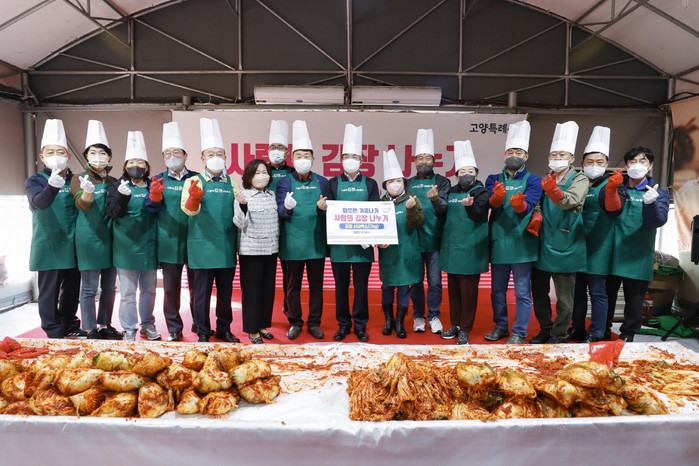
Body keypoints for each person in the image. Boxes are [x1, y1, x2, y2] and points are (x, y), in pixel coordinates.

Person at [601, 147, 669, 341]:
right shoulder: (618, 188)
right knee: (607, 295)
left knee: (634, 299)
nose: (637, 165)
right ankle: (603, 330)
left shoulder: (659, 193)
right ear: (626, 165)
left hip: (639, 253)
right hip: (613, 250)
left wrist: (651, 204)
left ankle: (628, 333)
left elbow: (657, 221)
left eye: (642, 161)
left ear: (650, 165)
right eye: (632, 161)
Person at [181, 118, 240, 343]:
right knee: (202, 294)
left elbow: (239, 211)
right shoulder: (193, 181)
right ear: (202, 158)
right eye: (211, 154)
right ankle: (203, 331)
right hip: (201, 245)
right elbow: (187, 211)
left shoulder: (232, 182)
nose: (216, 158)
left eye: (220, 154)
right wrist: (194, 199)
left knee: (226, 293)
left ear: (226, 158)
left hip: (225, 245)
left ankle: (224, 329)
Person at [530, 121, 589, 344]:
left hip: (567, 240)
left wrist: (553, 190)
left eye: (561, 154)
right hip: (544, 241)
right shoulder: (546, 177)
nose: (556, 158)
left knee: (565, 297)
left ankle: (559, 333)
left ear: (571, 158)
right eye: (553, 155)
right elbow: (538, 203)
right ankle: (545, 328)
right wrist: (536, 216)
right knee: (539, 292)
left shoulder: (579, 179)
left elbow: (570, 201)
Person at [484, 120, 542, 344]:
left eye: (518, 152)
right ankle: (500, 326)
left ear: (526, 156)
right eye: (510, 152)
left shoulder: (534, 180)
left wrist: (520, 206)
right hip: (499, 241)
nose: (514, 156)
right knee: (497, 291)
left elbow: (531, 204)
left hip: (522, 243)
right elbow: (489, 204)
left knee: (522, 292)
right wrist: (496, 199)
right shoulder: (493, 179)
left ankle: (519, 332)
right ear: (504, 155)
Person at [25, 119, 81, 338]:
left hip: (73, 242)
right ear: (42, 157)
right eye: (51, 152)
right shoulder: (35, 181)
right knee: (50, 290)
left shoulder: (76, 180)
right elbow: (40, 203)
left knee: (72, 288)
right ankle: (52, 328)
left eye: (60, 152)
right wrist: (51, 187)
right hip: (48, 243)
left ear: (68, 156)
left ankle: (69, 323)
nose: (56, 156)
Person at [276, 120, 331, 340]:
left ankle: (314, 322)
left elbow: (330, 213)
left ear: (313, 158)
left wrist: (322, 210)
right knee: (293, 286)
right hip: (293, 242)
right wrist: (287, 208)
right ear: (292, 159)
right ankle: (295, 321)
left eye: (306, 156)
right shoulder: (285, 182)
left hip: (316, 241)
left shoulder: (323, 182)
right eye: (298, 156)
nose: (302, 160)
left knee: (316, 286)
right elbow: (281, 212)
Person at [144, 122, 198, 342]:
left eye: (177, 152)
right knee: (171, 289)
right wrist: (154, 197)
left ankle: (199, 322)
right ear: (163, 157)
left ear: (185, 155)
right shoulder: (158, 179)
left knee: (197, 287)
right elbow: (149, 209)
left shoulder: (196, 178)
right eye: (168, 153)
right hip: (168, 240)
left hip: (195, 240)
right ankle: (174, 328)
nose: (172, 156)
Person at [328, 124, 380, 342]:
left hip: (362, 246)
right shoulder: (332, 183)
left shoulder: (371, 183)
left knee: (361, 287)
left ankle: (360, 325)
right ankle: (343, 324)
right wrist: (322, 209)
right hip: (339, 245)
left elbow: (376, 213)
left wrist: (372, 237)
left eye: (355, 157)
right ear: (341, 160)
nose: (351, 160)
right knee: (340, 287)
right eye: (347, 156)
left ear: (361, 160)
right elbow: (327, 213)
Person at [106, 131, 160, 341]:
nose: (136, 165)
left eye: (140, 162)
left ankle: (148, 325)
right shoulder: (116, 185)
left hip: (149, 245)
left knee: (149, 291)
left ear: (147, 166)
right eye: (131, 162)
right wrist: (121, 196)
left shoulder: (153, 184)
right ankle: (129, 327)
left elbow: (159, 212)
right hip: (125, 246)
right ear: (125, 165)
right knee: (128, 293)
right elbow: (112, 212)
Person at [70, 120, 121, 340]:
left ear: (109, 157)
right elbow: (83, 204)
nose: (98, 157)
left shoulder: (115, 181)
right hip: (89, 239)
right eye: (93, 153)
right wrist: (87, 192)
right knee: (89, 289)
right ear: (86, 156)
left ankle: (105, 324)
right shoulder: (78, 179)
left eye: (102, 153)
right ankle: (90, 328)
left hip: (111, 239)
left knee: (109, 287)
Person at [439, 141, 489, 345]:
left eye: (470, 171)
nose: (466, 174)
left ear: (476, 172)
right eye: (462, 171)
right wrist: (434, 201)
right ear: (456, 174)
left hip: (471, 249)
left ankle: (466, 329)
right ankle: (455, 324)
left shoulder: (482, 192)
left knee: (469, 292)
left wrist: (469, 206)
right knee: (453, 291)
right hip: (452, 248)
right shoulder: (451, 191)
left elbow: (478, 215)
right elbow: (442, 215)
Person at [569, 126, 614, 343]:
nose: (594, 165)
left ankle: (596, 332)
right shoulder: (576, 181)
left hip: (600, 246)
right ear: (582, 162)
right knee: (577, 291)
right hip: (577, 243)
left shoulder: (611, 184)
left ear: (606, 163)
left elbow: (615, 209)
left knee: (597, 292)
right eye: (590, 161)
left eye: (599, 162)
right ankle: (577, 328)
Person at [378, 149, 424, 339]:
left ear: (404, 182)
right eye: (391, 181)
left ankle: (400, 322)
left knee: (404, 287)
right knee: (387, 287)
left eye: (398, 180)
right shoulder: (380, 203)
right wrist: (378, 241)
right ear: (385, 185)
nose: (395, 184)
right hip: (388, 253)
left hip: (407, 251)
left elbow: (418, 222)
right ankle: (388, 321)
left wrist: (411, 210)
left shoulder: (412, 199)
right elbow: (374, 228)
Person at [407, 128, 449, 334]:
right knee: (415, 281)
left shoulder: (442, 182)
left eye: (428, 158)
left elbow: (445, 209)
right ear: (415, 161)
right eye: (420, 157)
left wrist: (435, 199)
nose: (424, 161)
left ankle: (433, 315)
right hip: (413, 241)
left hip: (435, 240)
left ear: (434, 160)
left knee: (435, 282)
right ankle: (418, 316)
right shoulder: (407, 182)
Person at [234, 159, 279, 344]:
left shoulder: (272, 195)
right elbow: (239, 223)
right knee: (251, 292)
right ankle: (252, 330)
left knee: (267, 290)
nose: (262, 176)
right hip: (251, 250)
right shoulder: (242, 195)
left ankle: (262, 325)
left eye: (264, 172)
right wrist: (243, 205)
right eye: (257, 173)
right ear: (249, 176)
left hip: (271, 249)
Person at [266, 120, 294, 320]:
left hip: (288, 227)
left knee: (288, 274)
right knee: (266, 273)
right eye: (273, 147)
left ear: (287, 152)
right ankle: (264, 313)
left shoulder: (293, 173)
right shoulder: (261, 170)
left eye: (281, 147)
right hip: (265, 228)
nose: (276, 151)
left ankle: (289, 307)